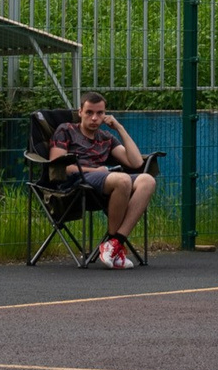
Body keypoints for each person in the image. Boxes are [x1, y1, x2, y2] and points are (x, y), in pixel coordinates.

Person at [48, 92, 157, 268]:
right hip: (76, 182)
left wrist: (119, 128)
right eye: (89, 112)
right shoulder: (66, 130)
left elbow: (136, 162)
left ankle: (115, 243)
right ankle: (115, 246)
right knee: (122, 180)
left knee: (147, 181)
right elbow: (59, 166)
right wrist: (95, 170)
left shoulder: (106, 137)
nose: (94, 118)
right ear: (80, 112)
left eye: (100, 113)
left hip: (103, 181)